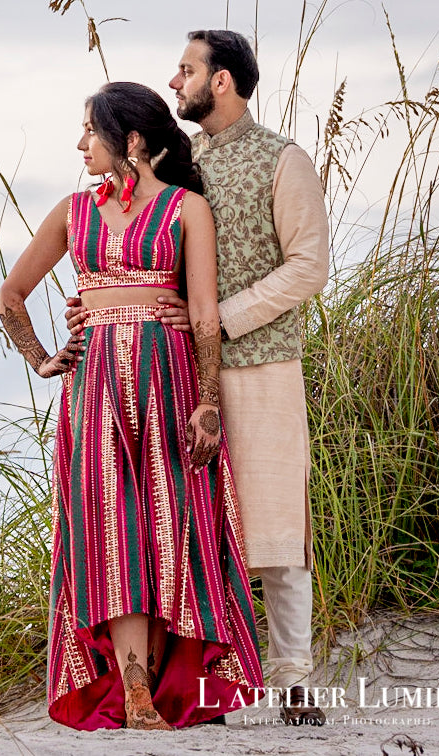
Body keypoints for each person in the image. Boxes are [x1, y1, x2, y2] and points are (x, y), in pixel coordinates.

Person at [66, 30, 331, 726]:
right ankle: (197, 687)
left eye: (185, 69)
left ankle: (294, 680)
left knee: (276, 529)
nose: (174, 79)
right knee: (181, 526)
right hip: (173, 374)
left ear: (220, 81)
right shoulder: (176, 161)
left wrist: (210, 318)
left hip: (262, 362)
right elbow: (139, 246)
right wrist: (99, 303)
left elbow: (307, 268)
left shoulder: (284, 159)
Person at [0, 81, 262, 731]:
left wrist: (205, 404)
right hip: (91, 394)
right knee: (110, 532)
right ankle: (135, 687)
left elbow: (202, 313)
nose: (79, 143)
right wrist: (40, 357)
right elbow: (10, 297)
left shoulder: (184, 210)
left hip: (169, 385)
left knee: (171, 530)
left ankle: (171, 678)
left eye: (91, 130)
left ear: (133, 141)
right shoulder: (71, 211)